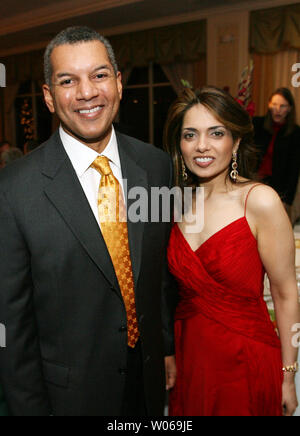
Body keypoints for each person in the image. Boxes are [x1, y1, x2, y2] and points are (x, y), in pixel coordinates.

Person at [0, 26, 176, 416]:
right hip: (68, 397)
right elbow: (13, 327)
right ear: (48, 97)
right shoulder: (13, 190)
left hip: (146, 384)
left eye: (98, 75)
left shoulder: (155, 165)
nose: (86, 92)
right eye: (68, 81)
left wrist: (165, 347)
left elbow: (158, 274)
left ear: (117, 82)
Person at [164, 87, 300, 416]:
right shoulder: (174, 204)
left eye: (216, 133)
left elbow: (285, 295)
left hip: (246, 362)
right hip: (190, 362)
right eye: (190, 134)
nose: (202, 146)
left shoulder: (259, 201)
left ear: (235, 142)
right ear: (179, 145)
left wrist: (288, 377)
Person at [253, 88, 300, 218]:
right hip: (254, 182)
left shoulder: (295, 133)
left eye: (282, 106)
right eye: (274, 104)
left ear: (290, 108)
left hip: (278, 189)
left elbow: (293, 169)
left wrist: (287, 201)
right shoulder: (257, 124)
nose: (277, 109)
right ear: (269, 105)